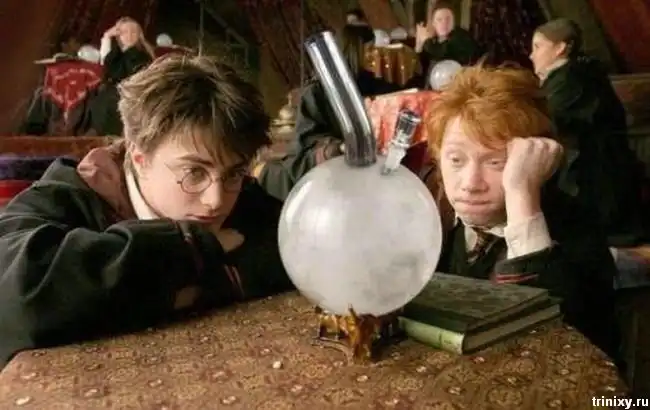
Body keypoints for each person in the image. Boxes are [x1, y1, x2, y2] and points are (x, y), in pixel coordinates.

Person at [0, 55, 293, 366]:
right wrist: (189, 248)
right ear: (139, 158)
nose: (216, 200)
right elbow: (17, 300)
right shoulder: (65, 196)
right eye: (194, 172)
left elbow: (292, 248)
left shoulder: (239, 191)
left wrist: (171, 291)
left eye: (233, 173)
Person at [422, 64, 620, 364]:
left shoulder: (575, 224)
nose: (471, 184)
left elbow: (559, 347)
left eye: (496, 162)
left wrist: (521, 195)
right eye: (456, 160)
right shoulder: (430, 206)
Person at [530, 18, 645, 246]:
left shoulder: (572, 80)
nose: (532, 55)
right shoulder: (575, 74)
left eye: (538, 46)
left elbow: (549, 122)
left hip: (593, 179)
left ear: (560, 48)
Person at [256, 25, 400, 200]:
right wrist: (338, 148)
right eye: (369, 49)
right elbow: (307, 144)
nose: (375, 55)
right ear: (354, 51)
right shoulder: (316, 93)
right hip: (336, 172)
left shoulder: (378, 87)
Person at [90, 17, 155, 136]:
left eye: (133, 32)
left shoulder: (141, 54)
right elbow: (106, 65)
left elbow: (124, 75)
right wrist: (107, 37)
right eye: (124, 32)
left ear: (139, 35)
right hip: (116, 93)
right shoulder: (118, 53)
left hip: (133, 94)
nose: (129, 35)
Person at [407, 2, 480, 88]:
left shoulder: (460, 36)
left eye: (448, 19)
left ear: (454, 21)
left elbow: (441, 52)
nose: (444, 23)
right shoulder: (435, 40)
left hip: (460, 87)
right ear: (433, 23)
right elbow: (421, 67)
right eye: (439, 20)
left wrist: (425, 40)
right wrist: (419, 46)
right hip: (433, 87)